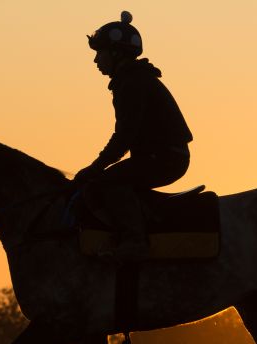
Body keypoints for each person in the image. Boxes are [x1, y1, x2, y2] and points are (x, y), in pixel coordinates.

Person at [74, 11, 193, 261]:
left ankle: (135, 240)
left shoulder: (133, 83)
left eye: (100, 52)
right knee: (104, 182)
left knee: (105, 184)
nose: (96, 60)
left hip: (164, 158)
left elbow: (124, 137)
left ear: (116, 53)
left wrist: (95, 168)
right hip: (159, 156)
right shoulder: (131, 80)